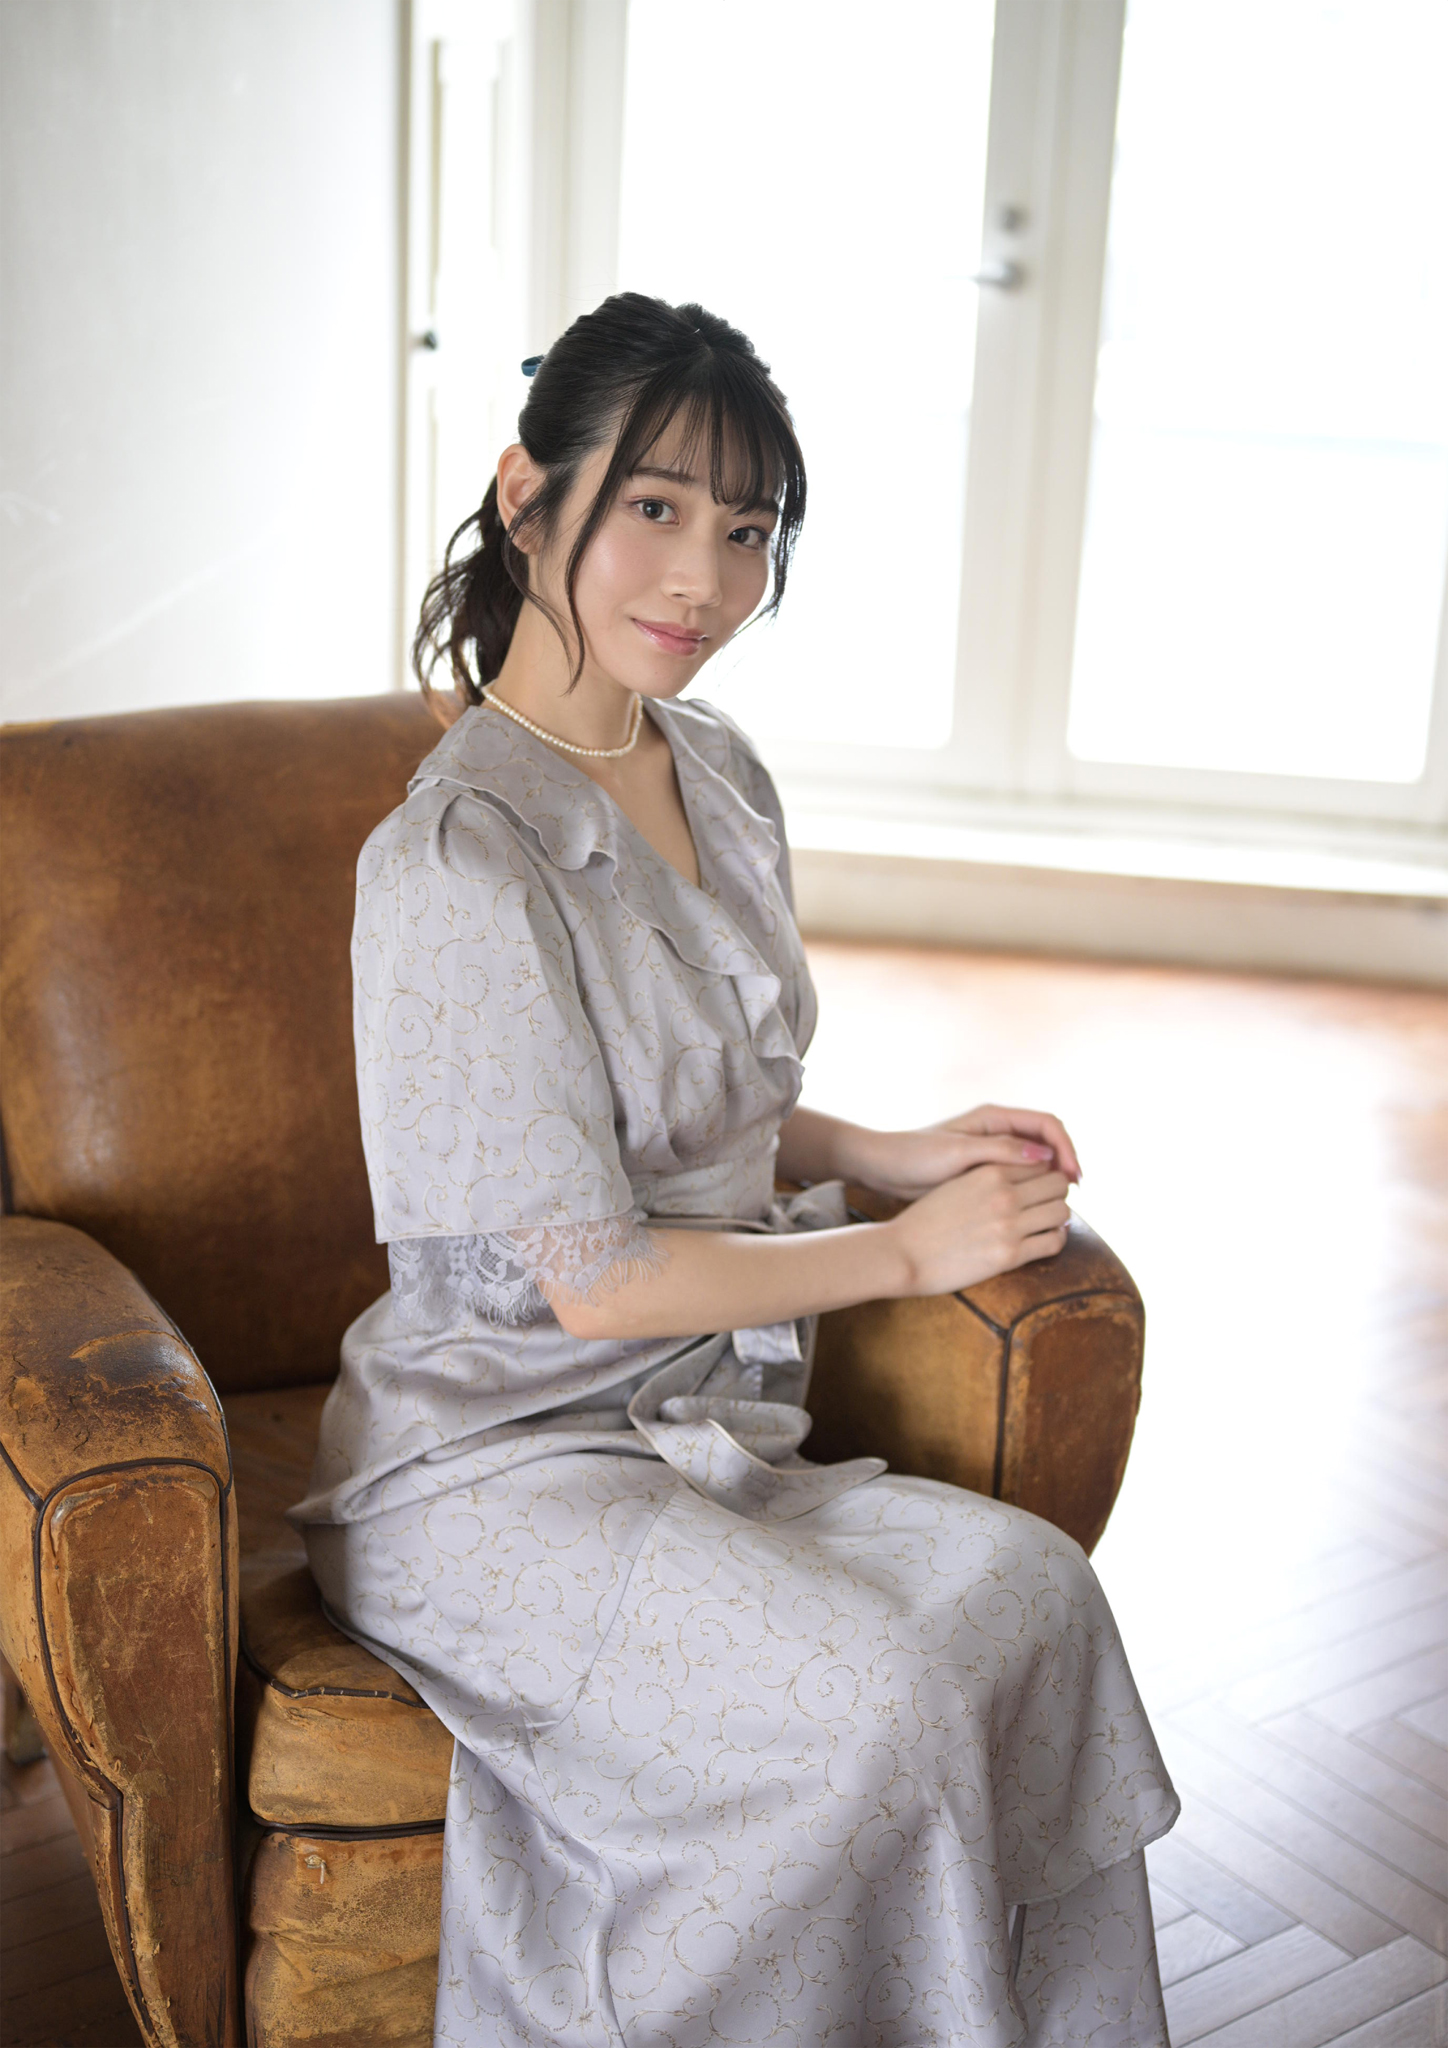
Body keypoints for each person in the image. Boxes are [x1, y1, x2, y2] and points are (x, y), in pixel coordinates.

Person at [291, 292, 1178, 2047]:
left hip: (706, 1421)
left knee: (1040, 1603)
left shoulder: (722, 772)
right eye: (655, 507)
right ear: (527, 495)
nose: (704, 576)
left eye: (750, 529)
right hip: (495, 1473)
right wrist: (908, 1249)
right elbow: (595, 1276)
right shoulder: (455, 866)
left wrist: (889, 1150)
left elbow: (710, 1117)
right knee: (878, 1705)